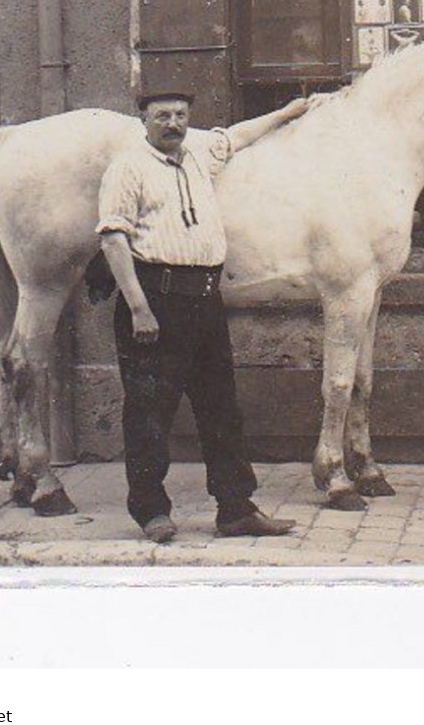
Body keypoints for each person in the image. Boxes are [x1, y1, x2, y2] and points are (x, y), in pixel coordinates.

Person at [96, 89, 317, 544]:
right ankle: (152, 512)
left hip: (205, 302)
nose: (172, 124)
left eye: (180, 116)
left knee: (221, 409)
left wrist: (288, 110)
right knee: (150, 412)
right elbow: (114, 241)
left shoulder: (198, 152)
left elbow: (239, 135)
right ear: (144, 121)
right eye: (162, 116)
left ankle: (235, 509)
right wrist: (139, 307)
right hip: (154, 301)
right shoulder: (127, 168)